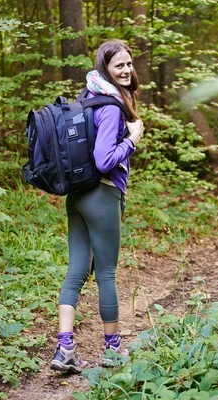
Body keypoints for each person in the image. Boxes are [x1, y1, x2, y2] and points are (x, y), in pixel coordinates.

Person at [50, 40, 144, 373]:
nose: (127, 70)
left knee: (75, 271)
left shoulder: (86, 99)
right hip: (102, 195)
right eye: (119, 65)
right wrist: (132, 140)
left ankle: (65, 349)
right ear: (105, 68)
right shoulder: (111, 107)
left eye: (129, 64)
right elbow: (104, 160)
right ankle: (113, 350)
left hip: (76, 197)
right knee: (105, 272)